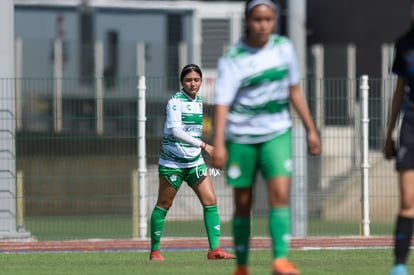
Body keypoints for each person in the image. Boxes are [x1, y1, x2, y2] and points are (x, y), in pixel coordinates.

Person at [211, 1, 321, 275]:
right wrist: (220, 143)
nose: (264, 25)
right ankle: (242, 266)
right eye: (258, 19)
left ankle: (280, 261)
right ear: (248, 20)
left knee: (280, 194)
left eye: (269, 19)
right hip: (241, 137)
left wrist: (310, 129)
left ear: (274, 21)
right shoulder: (233, 58)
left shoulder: (284, 49)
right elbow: (222, 103)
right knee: (243, 202)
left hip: (277, 133)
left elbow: (294, 90)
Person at [149, 64, 235, 261]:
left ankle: (215, 250)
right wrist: (205, 145)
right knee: (164, 204)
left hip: (194, 163)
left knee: (211, 201)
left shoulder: (198, 102)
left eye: (196, 80)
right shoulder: (175, 102)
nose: (193, 83)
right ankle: (155, 251)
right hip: (173, 163)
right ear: (182, 82)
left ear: (201, 81)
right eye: (188, 80)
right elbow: (176, 131)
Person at [384, 2, 414, 274]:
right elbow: (399, 92)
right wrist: (389, 133)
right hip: (411, 127)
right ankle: (400, 266)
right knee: (408, 199)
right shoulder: (405, 44)